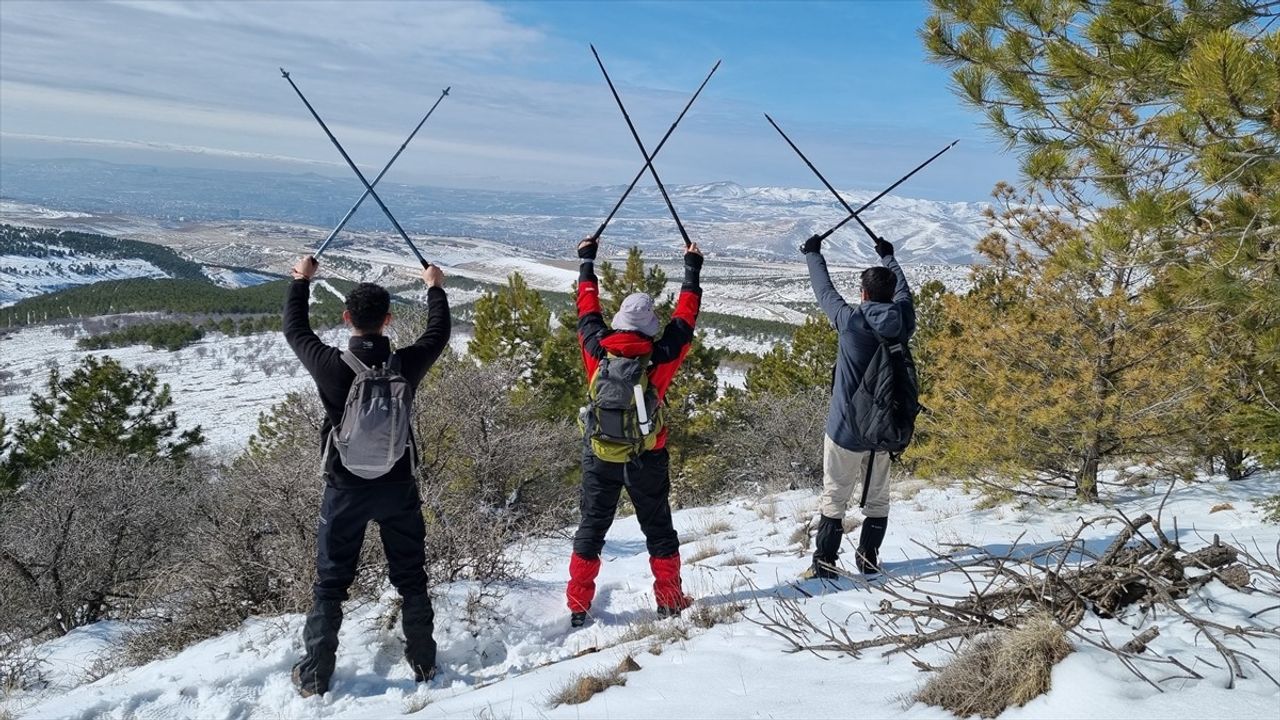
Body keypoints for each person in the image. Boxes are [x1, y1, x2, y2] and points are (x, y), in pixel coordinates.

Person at [283, 255, 451, 697]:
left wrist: (301, 280)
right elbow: (438, 334)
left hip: (345, 488)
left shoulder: (331, 366)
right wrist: (434, 287)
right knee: (411, 574)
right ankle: (424, 664)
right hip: (398, 485)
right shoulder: (406, 365)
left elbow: (295, 330)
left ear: (346, 319)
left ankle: (317, 674)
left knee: (331, 580)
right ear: (389, 320)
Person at [565, 237, 704, 627]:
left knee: (592, 527)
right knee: (658, 529)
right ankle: (669, 601)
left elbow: (586, 309)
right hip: (646, 456)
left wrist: (586, 261)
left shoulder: (596, 347)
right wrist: (692, 269)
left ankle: (578, 606)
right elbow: (686, 318)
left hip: (599, 452)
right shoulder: (660, 356)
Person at [800, 232, 915, 580]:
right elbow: (904, 292)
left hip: (845, 429)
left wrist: (812, 253)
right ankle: (868, 560)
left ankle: (824, 564)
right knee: (877, 499)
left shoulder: (851, 323)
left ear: (863, 294)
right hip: (884, 428)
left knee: (834, 497)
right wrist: (888, 257)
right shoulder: (904, 321)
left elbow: (824, 289)